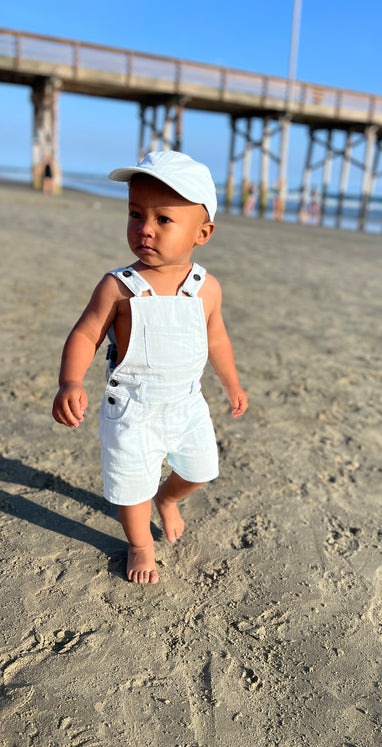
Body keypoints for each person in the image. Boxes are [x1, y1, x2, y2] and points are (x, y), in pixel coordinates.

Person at [52, 150, 248, 584]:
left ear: (203, 232)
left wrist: (231, 383)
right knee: (129, 484)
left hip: (186, 403)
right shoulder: (119, 287)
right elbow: (86, 334)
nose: (145, 229)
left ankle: (168, 499)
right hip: (133, 409)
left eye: (164, 220)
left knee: (200, 470)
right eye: (136, 214)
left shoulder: (206, 288)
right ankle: (140, 544)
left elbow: (216, 337)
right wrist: (70, 381)